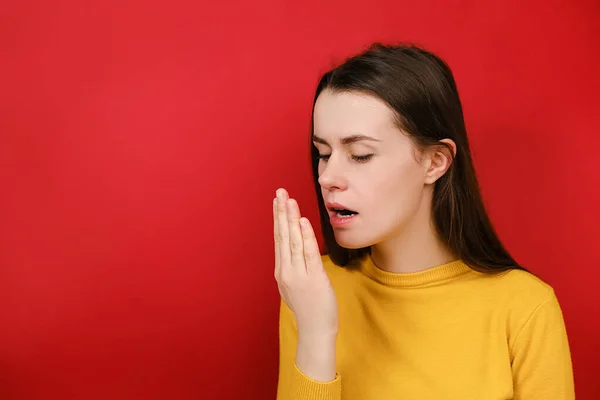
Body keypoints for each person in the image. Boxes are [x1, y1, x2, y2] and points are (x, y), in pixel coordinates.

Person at [272, 42, 575, 400]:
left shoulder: (525, 309)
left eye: (360, 155)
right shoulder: (310, 291)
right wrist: (316, 334)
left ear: (434, 162)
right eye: (323, 153)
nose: (327, 177)